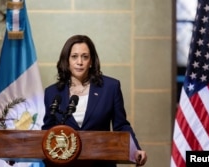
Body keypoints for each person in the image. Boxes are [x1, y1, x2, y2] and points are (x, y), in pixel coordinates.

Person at [42, 34, 147, 167]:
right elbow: (47, 131)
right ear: (66, 60)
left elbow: (121, 126)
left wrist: (135, 148)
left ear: (91, 61)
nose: (79, 62)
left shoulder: (110, 88)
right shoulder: (52, 92)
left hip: (100, 162)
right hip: (64, 163)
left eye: (85, 57)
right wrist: (20, 154)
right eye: (74, 56)